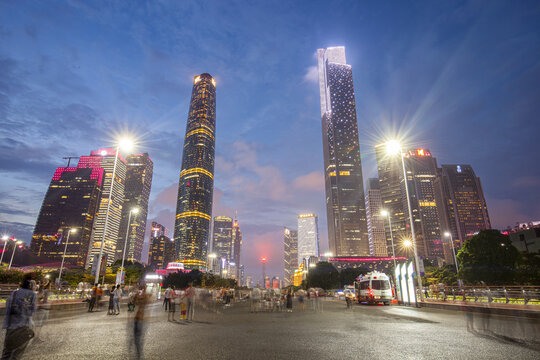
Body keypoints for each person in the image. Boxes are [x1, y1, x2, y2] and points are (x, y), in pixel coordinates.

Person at [2, 274, 38, 359]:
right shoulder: (32, 295)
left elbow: (8, 307)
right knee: (17, 354)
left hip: (10, 327)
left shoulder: (14, 293)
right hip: (23, 328)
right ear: (32, 286)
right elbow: (31, 313)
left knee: (6, 353)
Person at [130, 285, 151, 360]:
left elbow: (132, 305)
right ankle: (138, 354)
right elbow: (131, 305)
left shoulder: (143, 298)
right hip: (138, 319)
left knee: (138, 339)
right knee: (137, 338)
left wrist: (137, 296)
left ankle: (139, 355)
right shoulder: (140, 298)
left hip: (140, 320)